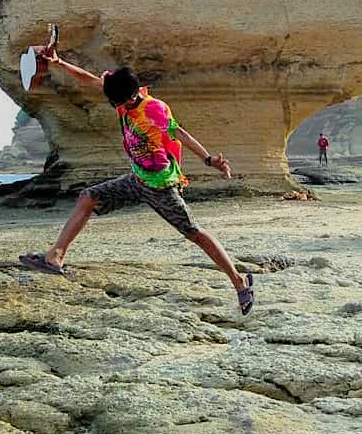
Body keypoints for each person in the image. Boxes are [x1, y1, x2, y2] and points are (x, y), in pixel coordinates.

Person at [19, 51, 255, 315]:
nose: (112, 103)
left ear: (131, 97)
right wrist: (58, 63)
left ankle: (240, 281)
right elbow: (91, 81)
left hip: (159, 185)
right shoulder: (120, 92)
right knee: (88, 196)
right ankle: (55, 256)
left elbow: (179, 133)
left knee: (194, 233)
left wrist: (209, 159)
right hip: (136, 178)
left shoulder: (154, 109)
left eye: (116, 101)